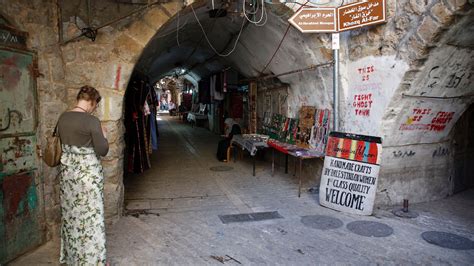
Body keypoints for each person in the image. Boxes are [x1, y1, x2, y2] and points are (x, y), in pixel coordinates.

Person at [57, 85, 109, 265]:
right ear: (92, 102)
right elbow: (102, 150)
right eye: (95, 105)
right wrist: (104, 135)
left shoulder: (62, 118)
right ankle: (94, 260)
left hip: (68, 175)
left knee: (71, 216)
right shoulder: (92, 121)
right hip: (88, 177)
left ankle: (73, 258)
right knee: (91, 218)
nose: (95, 108)